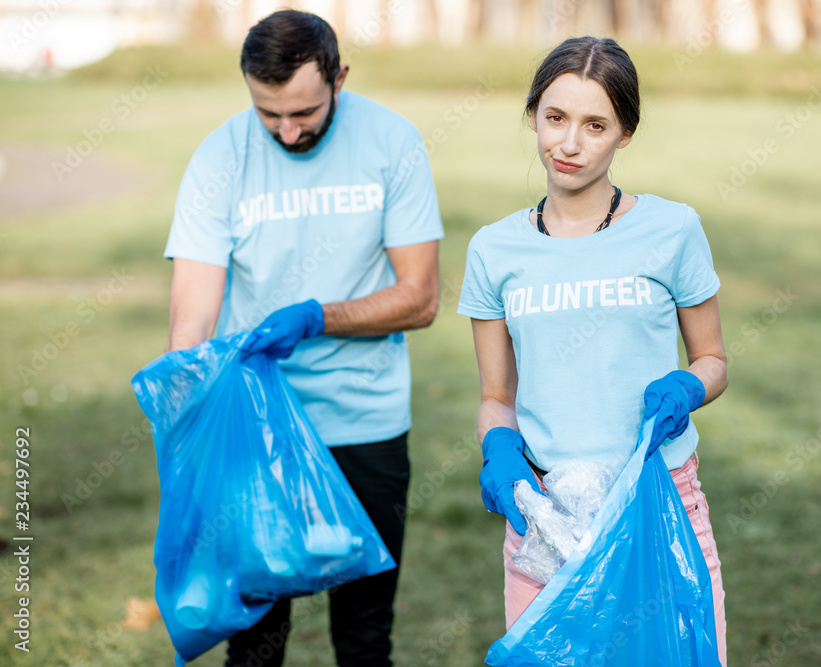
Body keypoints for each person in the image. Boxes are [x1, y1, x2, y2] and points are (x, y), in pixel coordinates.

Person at [163, 10, 443, 667]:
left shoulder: (392, 143)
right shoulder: (219, 158)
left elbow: (422, 296)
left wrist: (317, 315)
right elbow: (192, 319)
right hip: (254, 430)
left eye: (304, 112)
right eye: (268, 114)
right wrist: (189, 426)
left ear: (339, 78)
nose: (287, 131)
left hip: (365, 423)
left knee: (365, 636)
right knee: (257, 642)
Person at [457, 37, 728, 664]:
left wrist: (690, 387)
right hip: (546, 516)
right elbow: (497, 396)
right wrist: (498, 447)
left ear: (625, 133)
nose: (569, 144)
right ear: (533, 116)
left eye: (594, 125)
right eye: (555, 118)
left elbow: (711, 359)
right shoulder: (494, 251)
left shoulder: (673, 229)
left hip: (660, 501)